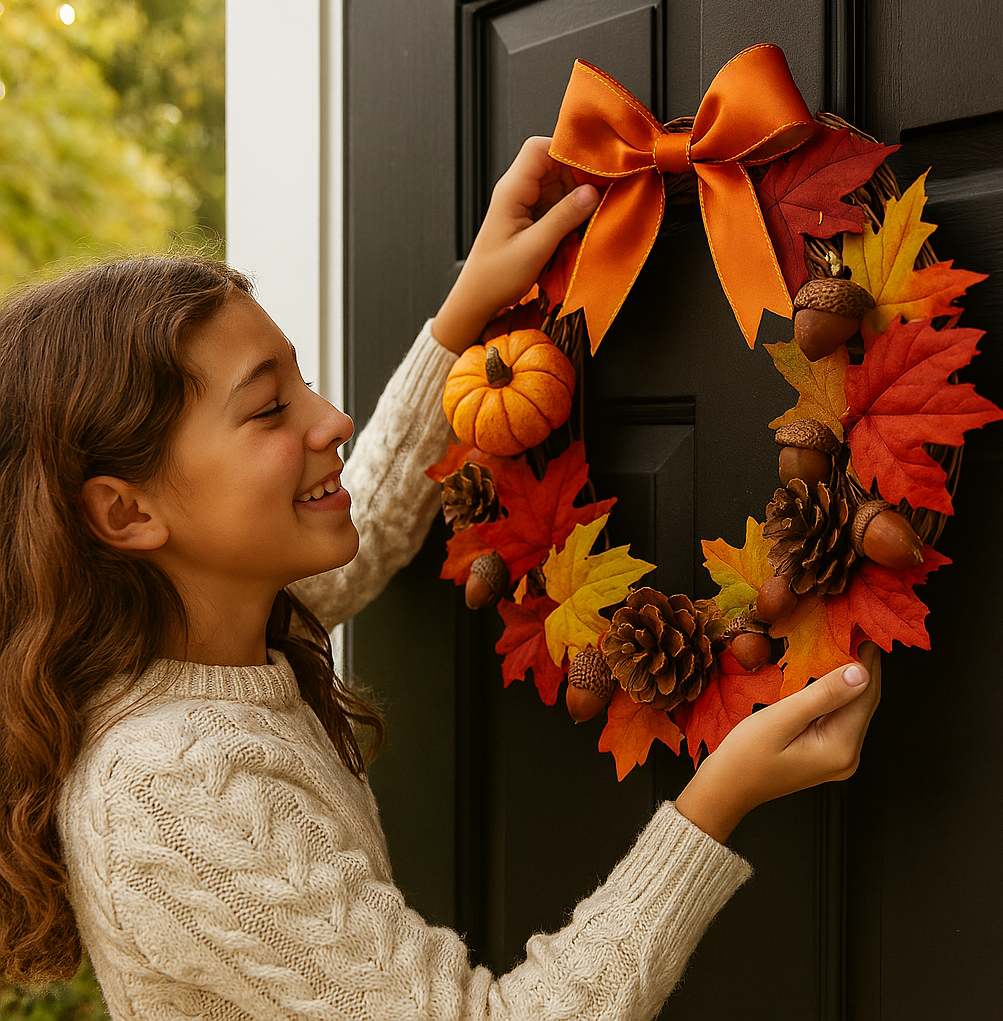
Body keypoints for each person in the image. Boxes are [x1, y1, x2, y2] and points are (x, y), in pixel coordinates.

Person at [0, 137, 880, 1020]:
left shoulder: (214, 628)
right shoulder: (172, 791)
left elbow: (371, 523)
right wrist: (719, 799)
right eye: (269, 408)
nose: (332, 419)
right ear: (125, 514)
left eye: (301, 383)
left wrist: (461, 319)